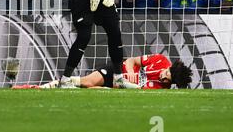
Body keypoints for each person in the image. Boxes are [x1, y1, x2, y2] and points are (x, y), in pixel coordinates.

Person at [31, 54, 192, 90]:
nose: (162, 77)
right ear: (169, 68)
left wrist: (126, 84)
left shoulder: (160, 90)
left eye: (166, 80)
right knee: (87, 82)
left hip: (118, 88)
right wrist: (128, 72)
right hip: (117, 71)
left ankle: (64, 87)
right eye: (165, 73)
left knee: (93, 90)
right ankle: (42, 88)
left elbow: (132, 95)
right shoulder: (161, 60)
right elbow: (131, 61)